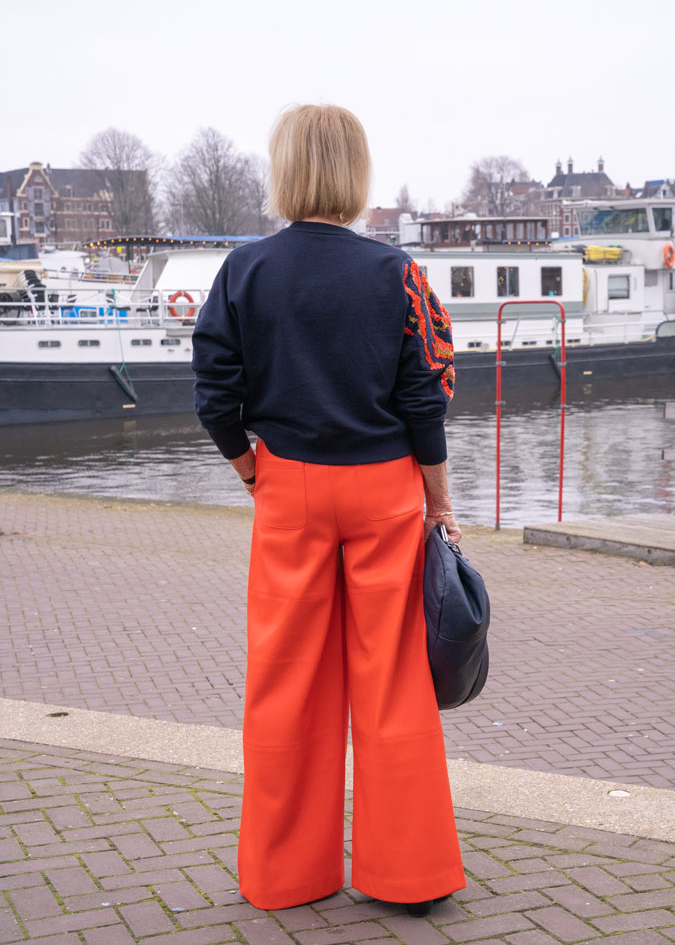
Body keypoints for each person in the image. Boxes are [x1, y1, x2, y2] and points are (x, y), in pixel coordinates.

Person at [191, 103, 465, 917]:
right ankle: (408, 875)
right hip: (384, 487)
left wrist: (251, 470)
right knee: (394, 681)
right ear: (355, 171)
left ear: (284, 170)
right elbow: (425, 396)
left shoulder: (244, 269)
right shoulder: (395, 272)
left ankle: (284, 874)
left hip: (290, 487)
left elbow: (213, 391)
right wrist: (439, 501)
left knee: (285, 681)